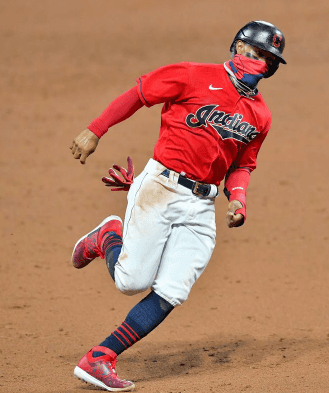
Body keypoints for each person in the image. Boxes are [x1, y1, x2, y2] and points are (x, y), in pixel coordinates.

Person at [68, 20, 286, 392]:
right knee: (131, 282)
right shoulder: (191, 75)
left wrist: (239, 200)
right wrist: (95, 129)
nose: (262, 63)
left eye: (270, 60)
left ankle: (100, 357)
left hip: (202, 206)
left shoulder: (260, 115)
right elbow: (138, 94)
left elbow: (242, 166)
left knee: (172, 291)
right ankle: (108, 235)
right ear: (238, 47)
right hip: (161, 187)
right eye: (258, 53)